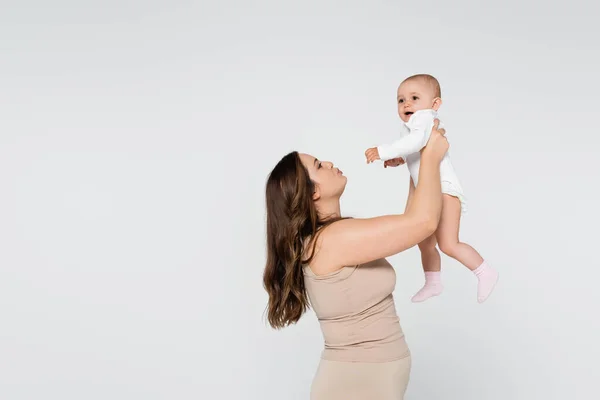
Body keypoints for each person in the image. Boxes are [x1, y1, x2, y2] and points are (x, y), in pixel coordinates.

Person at [263, 121, 448, 399]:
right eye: (318, 165)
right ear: (313, 192)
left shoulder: (330, 238)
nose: (328, 162)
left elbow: (412, 220)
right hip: (355, 383)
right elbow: (423, 222)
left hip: (366, 379)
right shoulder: (331, 241)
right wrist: (431, 156)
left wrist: (417, 162)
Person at [364, 74, 498, 303]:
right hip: (429, 189)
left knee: (448, 243)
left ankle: (485, 272)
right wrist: (399, 159)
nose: (407, 104)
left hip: (444, 190)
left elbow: (416, 142)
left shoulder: (424, 119)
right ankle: (433, 282)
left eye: (414, 98)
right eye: (401, 100)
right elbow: (413, 150)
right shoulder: (410, 127)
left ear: (434, 104)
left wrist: (384, 151)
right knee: (424, 241)